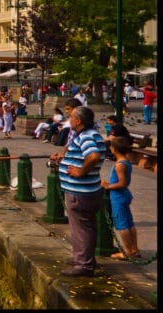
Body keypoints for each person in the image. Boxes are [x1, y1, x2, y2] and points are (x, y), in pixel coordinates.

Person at [49, 106, 106, 277]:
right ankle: (84, 258)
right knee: (84, 227)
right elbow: (83, 156)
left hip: (80, 192)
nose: (69, 120)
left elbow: (93, 156)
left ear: (79, 121)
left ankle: (84, 265)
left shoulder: (87, 137)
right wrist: (63, 159)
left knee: (81, 228)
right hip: (85, 190)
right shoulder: (89, 135)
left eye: (72, 117)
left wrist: (81, 171)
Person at [100, 136, 140, 260]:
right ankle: (134, 249)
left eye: (111, 146)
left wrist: (108, 186)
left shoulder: (119, 165)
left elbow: (122, 183)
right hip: (124, 195)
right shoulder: (126, 162)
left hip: (118, 196)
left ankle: (128, 251)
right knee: (129, 223)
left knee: (122, 225)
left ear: (115, 149)